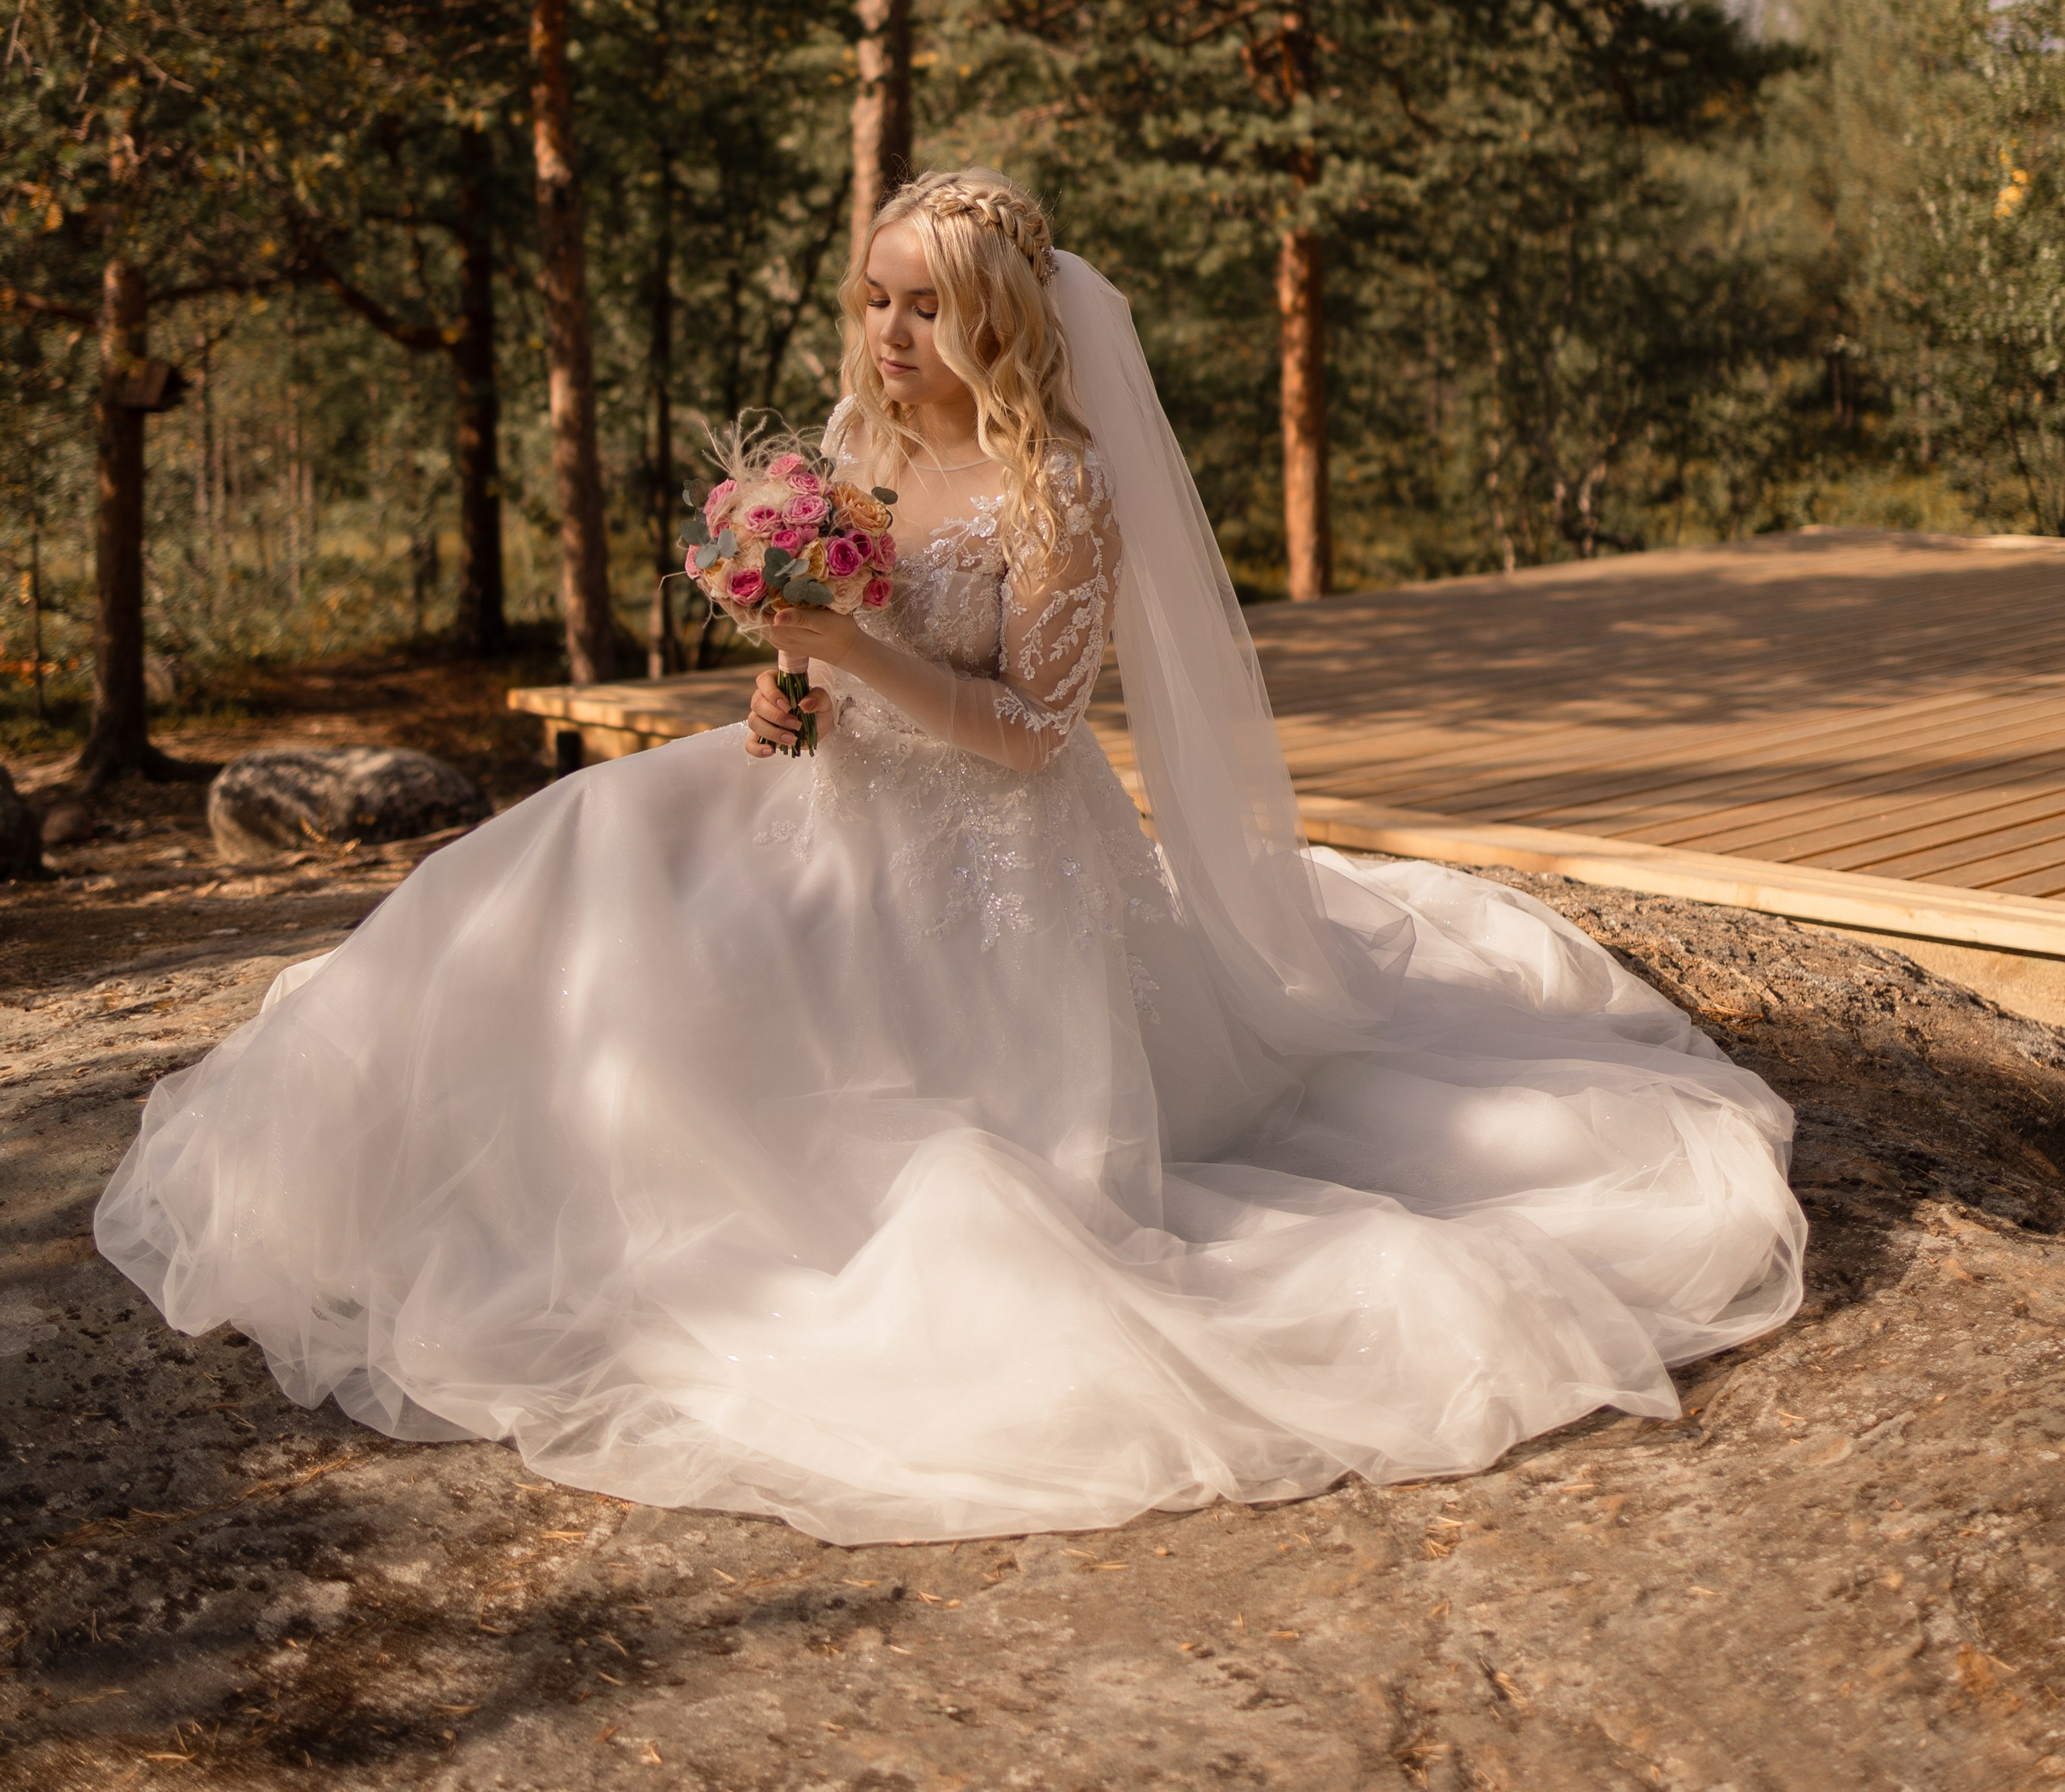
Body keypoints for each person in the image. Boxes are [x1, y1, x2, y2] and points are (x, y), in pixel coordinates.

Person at [96, 169, 1804, 1544]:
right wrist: (781, 689)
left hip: (988, 862)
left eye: (923, 305)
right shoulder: (850, 453)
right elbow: (823, 653)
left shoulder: (1055, 488)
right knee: (572, 853)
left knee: (824, 1084)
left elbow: (1027, 730)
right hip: (830, 789)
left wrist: (835, 651)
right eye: (874, 298)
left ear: (995, 319)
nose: (889, 331)